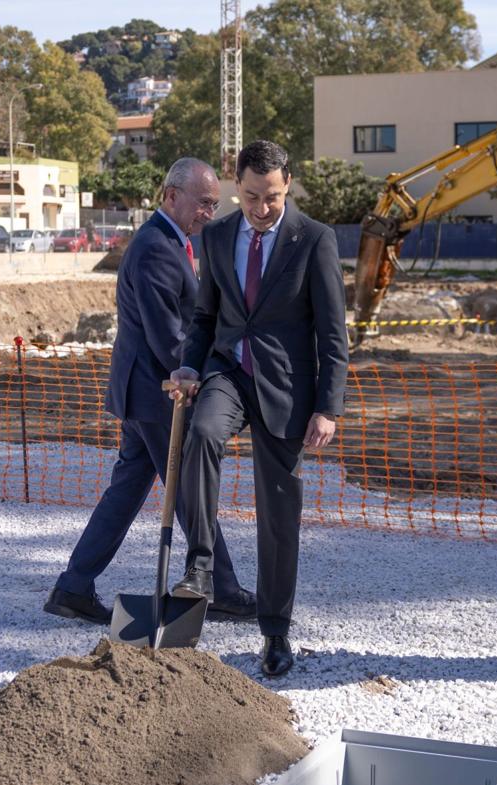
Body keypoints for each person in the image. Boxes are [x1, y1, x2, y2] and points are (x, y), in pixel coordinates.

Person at [44, 158, 256, 625]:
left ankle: (73, 586)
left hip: (143, 394)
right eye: (203, 202)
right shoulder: (157, 248)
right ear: (170, 195)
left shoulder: (170, 242)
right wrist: (209, 373)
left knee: (126, 491)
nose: (208, 212)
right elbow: (169, 339)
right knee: (189, 493)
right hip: (158, 396)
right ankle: (221, 589)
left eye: (214, 204)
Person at [168, 140, 348, 678]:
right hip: (227, 371)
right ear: (235, 185)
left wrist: (327, 408)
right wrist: (189, 367)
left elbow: (333, 334)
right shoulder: (219, 235)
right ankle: (200, 567)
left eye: (270, 197)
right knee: (201, 435)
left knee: (278, 515)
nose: (260, 208)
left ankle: (275, 632)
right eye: (249, 196)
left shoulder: (314, 240)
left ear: (287, 184)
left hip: (287, 390)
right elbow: (204, 318)